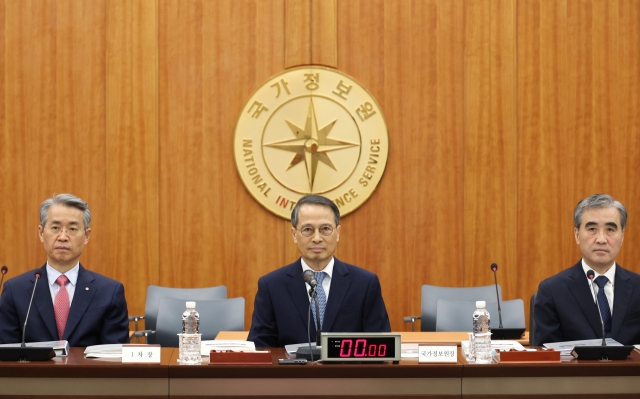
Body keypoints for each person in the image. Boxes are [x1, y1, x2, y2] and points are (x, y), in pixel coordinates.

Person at [248, 195, 391, 347]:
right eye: (308, 229)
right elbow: (260, 348)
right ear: (294, 234)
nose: (317, 238)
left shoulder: (365, 284)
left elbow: (380, 346)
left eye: (325, 229)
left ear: (338, 233)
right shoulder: (271, 286)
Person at [0, 194, 129, 346]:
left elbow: (115, 358)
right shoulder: (15, 291)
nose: (63, 237)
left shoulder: (109, 292)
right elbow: (6, 357)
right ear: (41, 233)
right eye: (55, 228)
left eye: (72, 229)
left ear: (87, 236)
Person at [533, 194, 640, 346]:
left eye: (610, 229)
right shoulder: (552, 291)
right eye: (592, 229)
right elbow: (547, 358)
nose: (601, 239)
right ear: (577, 235)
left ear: (622, 236)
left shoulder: (638, 287)